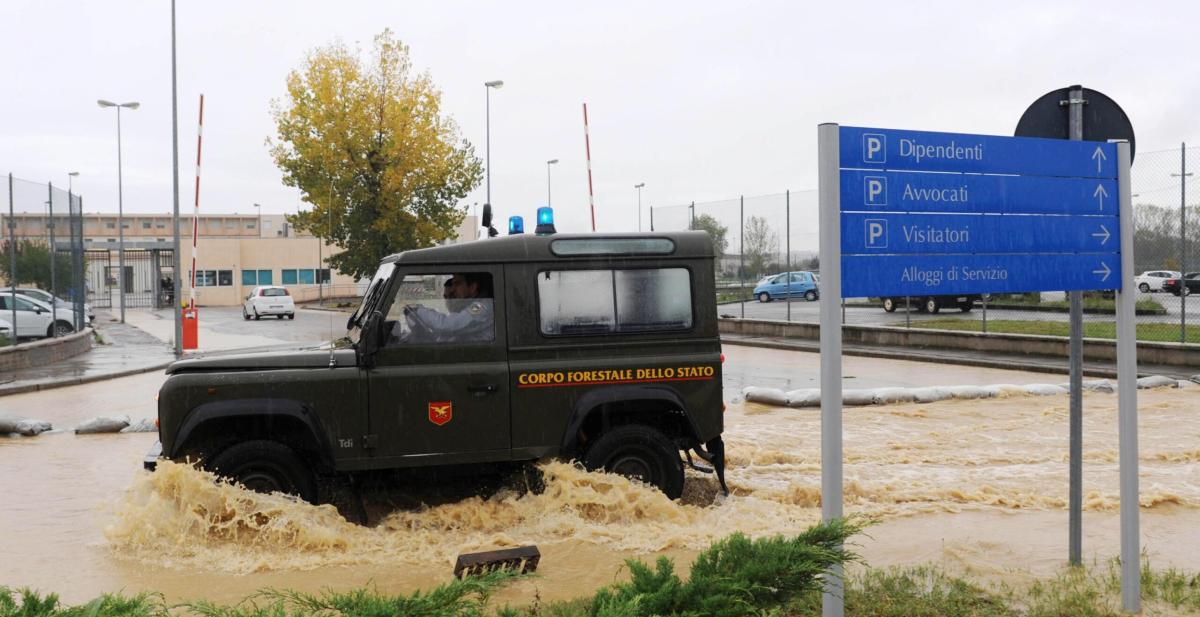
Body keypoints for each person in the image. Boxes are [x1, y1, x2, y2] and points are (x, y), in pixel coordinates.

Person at [399, 273, 493, 343]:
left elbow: (448, 325)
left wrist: (419, 310)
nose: (452, 289)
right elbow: (448, 333)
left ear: (472, 287)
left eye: (457, 284)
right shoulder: (473, 305)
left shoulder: (482, 306)